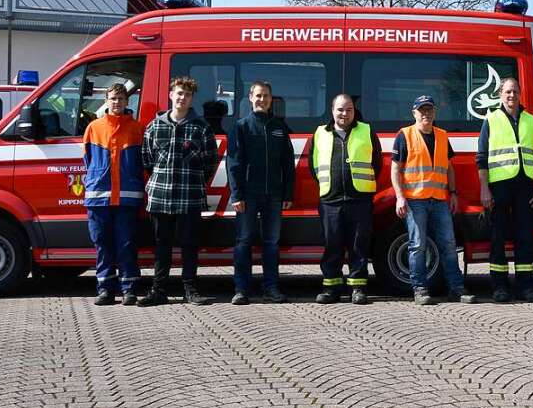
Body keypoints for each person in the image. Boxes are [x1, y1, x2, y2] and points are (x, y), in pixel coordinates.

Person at [138, 76, 219, 307]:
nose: (182, 97)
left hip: (190, 196)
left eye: (187, 94)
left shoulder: (201, 128)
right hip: (160, 197)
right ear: (171, 95)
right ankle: (158, 290)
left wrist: (195, 181)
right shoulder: (154, 127)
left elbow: (211, 161)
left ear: (192, 98)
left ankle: (190, 289)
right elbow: (147, 160)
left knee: (189, 244)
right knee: (162, 244)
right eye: (179, 93)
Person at [390, 95, 475, 305]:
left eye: (429, 110)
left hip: (439, 200)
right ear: (414, 113)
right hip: (415, 200)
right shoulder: (405, 135)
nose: (426, 114)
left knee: (448, 244)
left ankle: (456, 289)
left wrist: (453, 193)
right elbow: (395, 169)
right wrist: (400, 197)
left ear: (434, 113)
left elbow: (449, 167)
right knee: (417, 245)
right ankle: (420, 289)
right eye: (422, 110)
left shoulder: (442, 136)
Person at [478, 77, 533, 303]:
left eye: (515, 91)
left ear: (520, 94)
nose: (511, 95)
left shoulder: (530, 120)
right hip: (499, 186)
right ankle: (499, 286)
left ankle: (526, 286)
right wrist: (484, 190)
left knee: (524, 236)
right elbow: (481, 158)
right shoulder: (491, 119)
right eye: (507, 92)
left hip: (525, 185)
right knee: (498, 237)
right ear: (501, 95)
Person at [226, 80, 295, 305]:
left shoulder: (279, 127)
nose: (262, 99)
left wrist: (287, 194)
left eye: (266, 96)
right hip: (248, 195)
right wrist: (236, 195)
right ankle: (241, 289)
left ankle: (271, 288)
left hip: (274, 195)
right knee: (244, 241)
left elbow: (287, 164)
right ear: (250, 98)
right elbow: (233, 164)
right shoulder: (241, 127)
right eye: (258, 95)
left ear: (270, 99)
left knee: (271, 243)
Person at [310, 94, 382, 305]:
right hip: (330, 200)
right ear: (332, 111)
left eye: (349, 109)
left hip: (359, 198)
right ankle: (331, 288)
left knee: (358, 245)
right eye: (340, 109)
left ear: (354, 111)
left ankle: (358, 288)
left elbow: (376, 163)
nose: (344, 113)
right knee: (332, 244)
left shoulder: (367, 131)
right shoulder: (320, 133)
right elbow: (314, 165)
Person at [82, 83, 144, 306]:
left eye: (120, 98)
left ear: (128, 102)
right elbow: (88, 160)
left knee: (127, 243)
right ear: (106, 101)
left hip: (128, 196)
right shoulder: (93, 128)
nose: (116, 102)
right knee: (102, 243)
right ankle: (105, 289)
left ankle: (129, 289)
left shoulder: (137, 129)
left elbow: (142, 162)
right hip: (99, 197)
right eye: (112, 98)